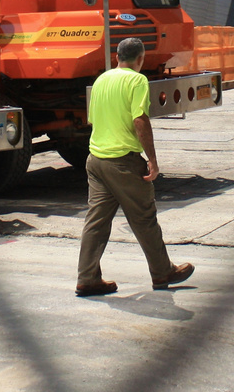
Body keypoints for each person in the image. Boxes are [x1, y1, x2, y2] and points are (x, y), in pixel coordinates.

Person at [75, 37, 193, 297]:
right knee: (144, 217)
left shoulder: (101, 80)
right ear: (140, 60)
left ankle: (87, 278)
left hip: (96, 160)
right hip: (123, 161)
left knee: (96, 221)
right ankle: (163, 271)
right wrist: (152, 158)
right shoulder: (137, 80)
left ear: (117, 56)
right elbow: (139, 119)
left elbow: (93, 120)